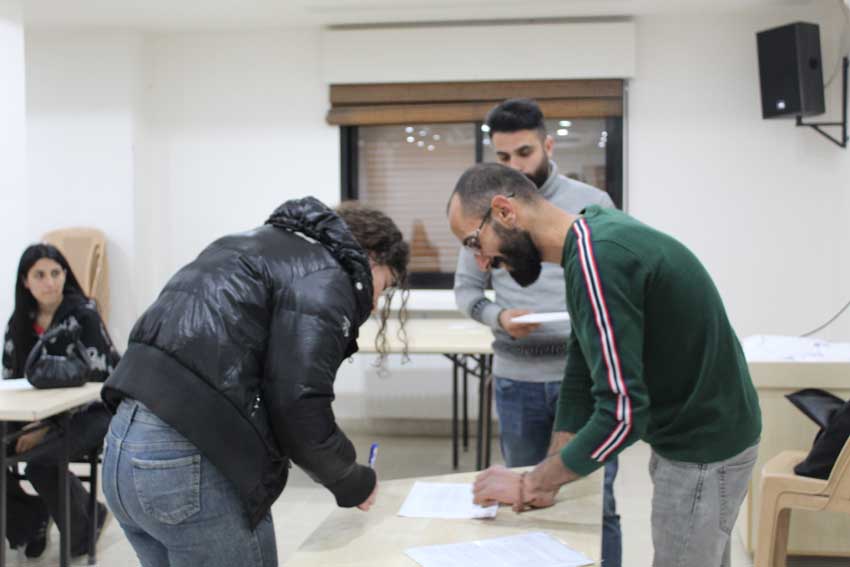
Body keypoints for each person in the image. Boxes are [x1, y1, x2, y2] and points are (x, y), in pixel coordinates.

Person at [447, 163, 761, 567]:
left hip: (703, 445)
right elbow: (581, 370)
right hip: (702, 431)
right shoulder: (590, 238)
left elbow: (623, 415)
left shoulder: (599, 259)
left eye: (475, 243)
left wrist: (530, 484)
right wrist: (549, 474)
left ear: (505, 212)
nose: (480, 263)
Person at [101, 197, 410, 567]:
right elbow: (298, 405)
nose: (375, 304)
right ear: (371, 257)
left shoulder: (248, 244)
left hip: (122, 449)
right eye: (384, 286)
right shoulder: (326, 276)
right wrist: (351, 479)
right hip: (188, 461)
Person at [453, 98, 621, 566]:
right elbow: (467, 291)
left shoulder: (593, 205)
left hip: (583, 377)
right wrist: (499, 317)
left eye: (524, 153)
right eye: (503, 157)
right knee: (524, 497)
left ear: (548, 145)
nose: (515, 167)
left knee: (596, 499)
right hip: (518, 378)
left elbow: (613, 288)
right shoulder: (484, 213)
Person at [2, 243, 119, 558]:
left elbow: (102, 378)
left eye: (56, 273)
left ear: (65, 275)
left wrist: (44, 426)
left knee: (40, 464)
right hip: (34, 414)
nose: (49, 282)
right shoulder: (19, 323)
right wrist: (30, 422)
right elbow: (10, 377)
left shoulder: (84, 314)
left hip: (91, 413)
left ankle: (87, 524)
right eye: (39, 275)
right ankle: (30, 520)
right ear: (25, 281)